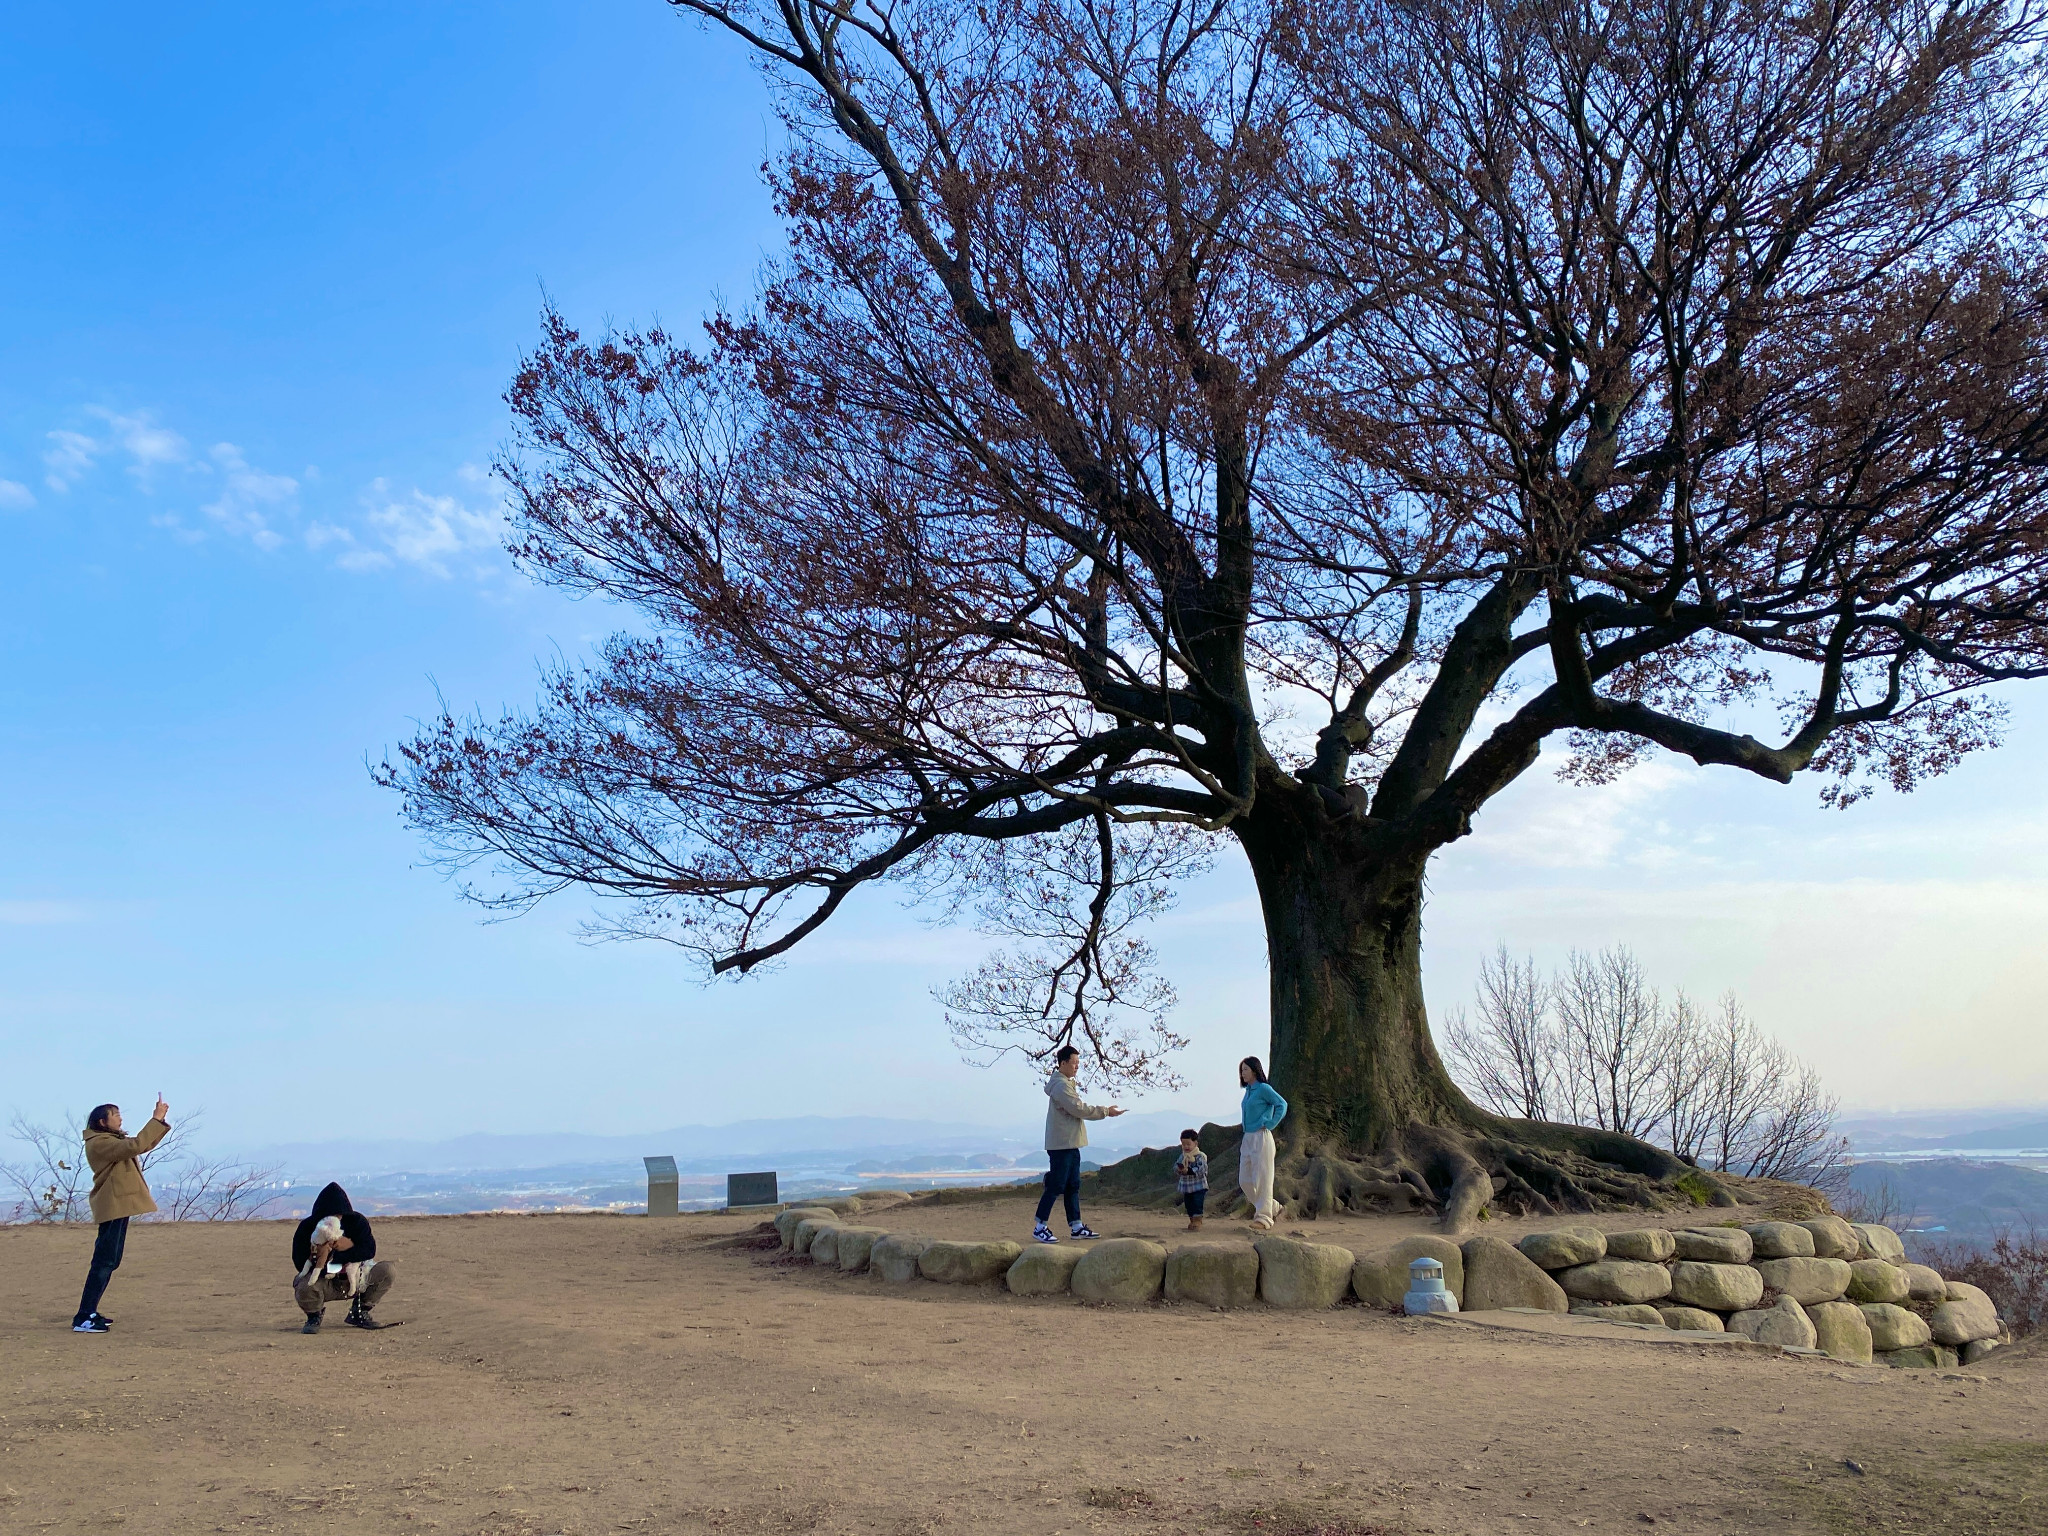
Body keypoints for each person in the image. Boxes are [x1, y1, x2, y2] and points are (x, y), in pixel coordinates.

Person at [72, 1097, 171, 1333]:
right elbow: (135, 1146)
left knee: (110, 1260)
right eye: (115, 1115)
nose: (120, 1118)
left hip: (118, 1205)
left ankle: (90, 1312)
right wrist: (156, 1119)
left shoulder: (107, 1140)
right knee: (104, 1261)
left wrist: (159, 1122)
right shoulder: (99, 1143)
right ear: (102, 1121)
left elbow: (142, 1144)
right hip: (112, 1204)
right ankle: (84, 1316)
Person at [1034, 1044, 1123, 1243]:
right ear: (1063, 1063)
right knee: (1056, 1185)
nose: (1076, 1067)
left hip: (1070, 1143)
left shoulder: (1065, 1083)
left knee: (1073, 1185)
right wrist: (1106, 1111)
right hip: (1061, 1145)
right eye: (1073, 1063)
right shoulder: (1061, 1086)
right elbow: (1078, 1109)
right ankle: (1040, 1226)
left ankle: (1076, 1226)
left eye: (1078, 1064)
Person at [290, 1182, 397, 1333]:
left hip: (356, 1277)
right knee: (303, 1283)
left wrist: (342, 1252)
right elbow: (299, 1261)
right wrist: (322, 1260)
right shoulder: (307, 1228)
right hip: (324, 1281)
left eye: (338, 1215)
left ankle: (360, 1311)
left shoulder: (357, 1222)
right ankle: (314, 1315)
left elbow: (369, 1250)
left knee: (387, 1271)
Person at [1237, 1056, 1288, 1232]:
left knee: (1263, 1178)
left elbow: (1281, 1104)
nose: (1242, 1073)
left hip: (1262, 1137)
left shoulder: (1264, 1088)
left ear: (1254, 1070)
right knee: (1244, 1180)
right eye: (1241, 1070)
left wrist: (1271, 1123)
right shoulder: (1249, 1091)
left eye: (1245, 1069)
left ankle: (1264, 1218)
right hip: (1248, 1138)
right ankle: (1273, 1207)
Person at [1173, 1129, 1208, 1231]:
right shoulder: (1182, 1156)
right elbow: (1175, 1166)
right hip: (1187, 1186)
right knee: (1189, 1204)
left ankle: (1198, 1221)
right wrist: (1179, 1169)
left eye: (1188, 1144)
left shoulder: (1200, 1156)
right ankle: (1192, 1220)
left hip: (1198, 1185)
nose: (1186, 1147)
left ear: (1195, 1143)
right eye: (1184, 1144)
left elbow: (1201, 1169)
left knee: (1197, 1203)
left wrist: (1188, 1171)